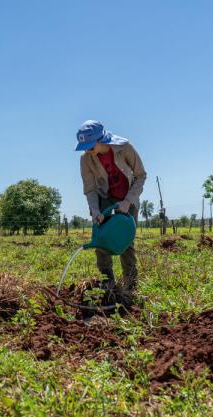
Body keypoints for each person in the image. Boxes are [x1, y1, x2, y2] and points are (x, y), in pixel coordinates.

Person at [76, 120, 147, 291]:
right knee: (100, 239)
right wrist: (95, 210)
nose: (87, 150)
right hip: (105, 197)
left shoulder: (125, 148)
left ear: (101, 140)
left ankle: (130, 284)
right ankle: (107, 282)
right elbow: (90, 188)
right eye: (84, 146)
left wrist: (128, 201)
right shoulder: (86, 159)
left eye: (90, 146)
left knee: (126, 242)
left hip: (127, 197)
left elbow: (141, 175)